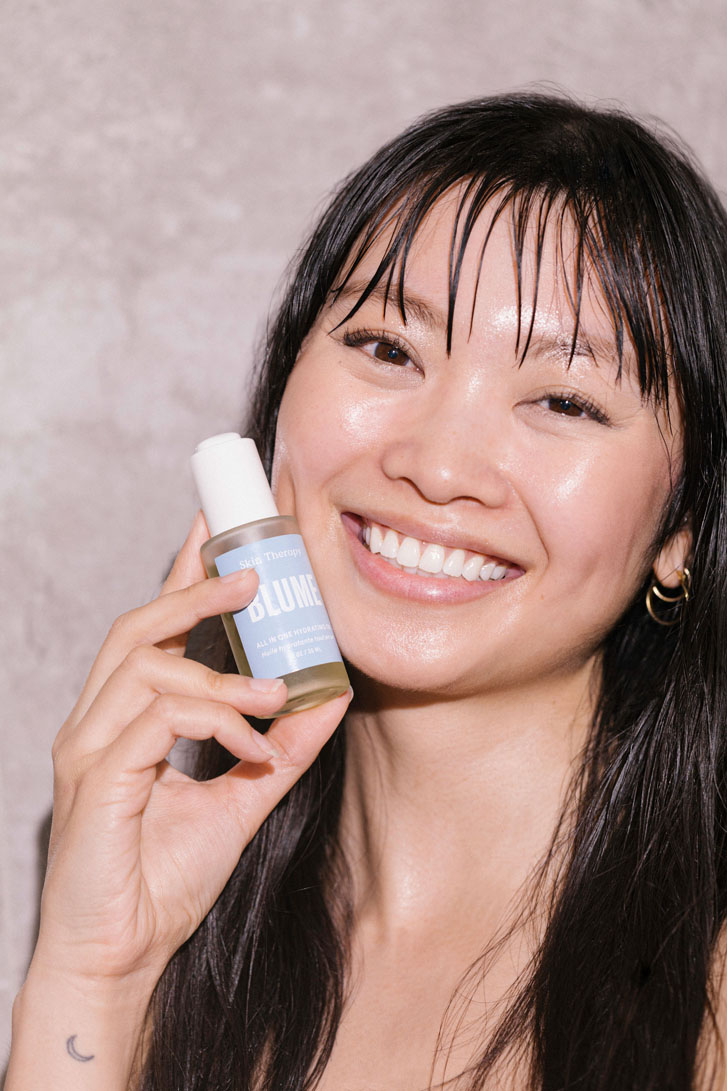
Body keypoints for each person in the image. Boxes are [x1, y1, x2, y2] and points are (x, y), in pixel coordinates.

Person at [7, 91, 727, 1091]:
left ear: (681, 529)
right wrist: (94, 972)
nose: (437, 464)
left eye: (562, 399)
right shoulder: (172, 938)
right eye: (389, 348)